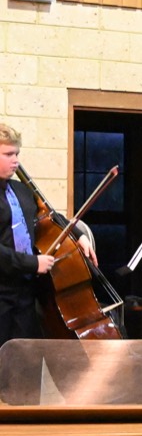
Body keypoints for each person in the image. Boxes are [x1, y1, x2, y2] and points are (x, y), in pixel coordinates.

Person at [0, 124, 57, 347]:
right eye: (8, 154)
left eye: (17, 154)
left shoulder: (21, 190)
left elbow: (48, 218)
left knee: (26, 358)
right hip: (2, 291)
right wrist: (33, 263)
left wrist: (79, 234)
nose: (16, 161)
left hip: (25, 292)